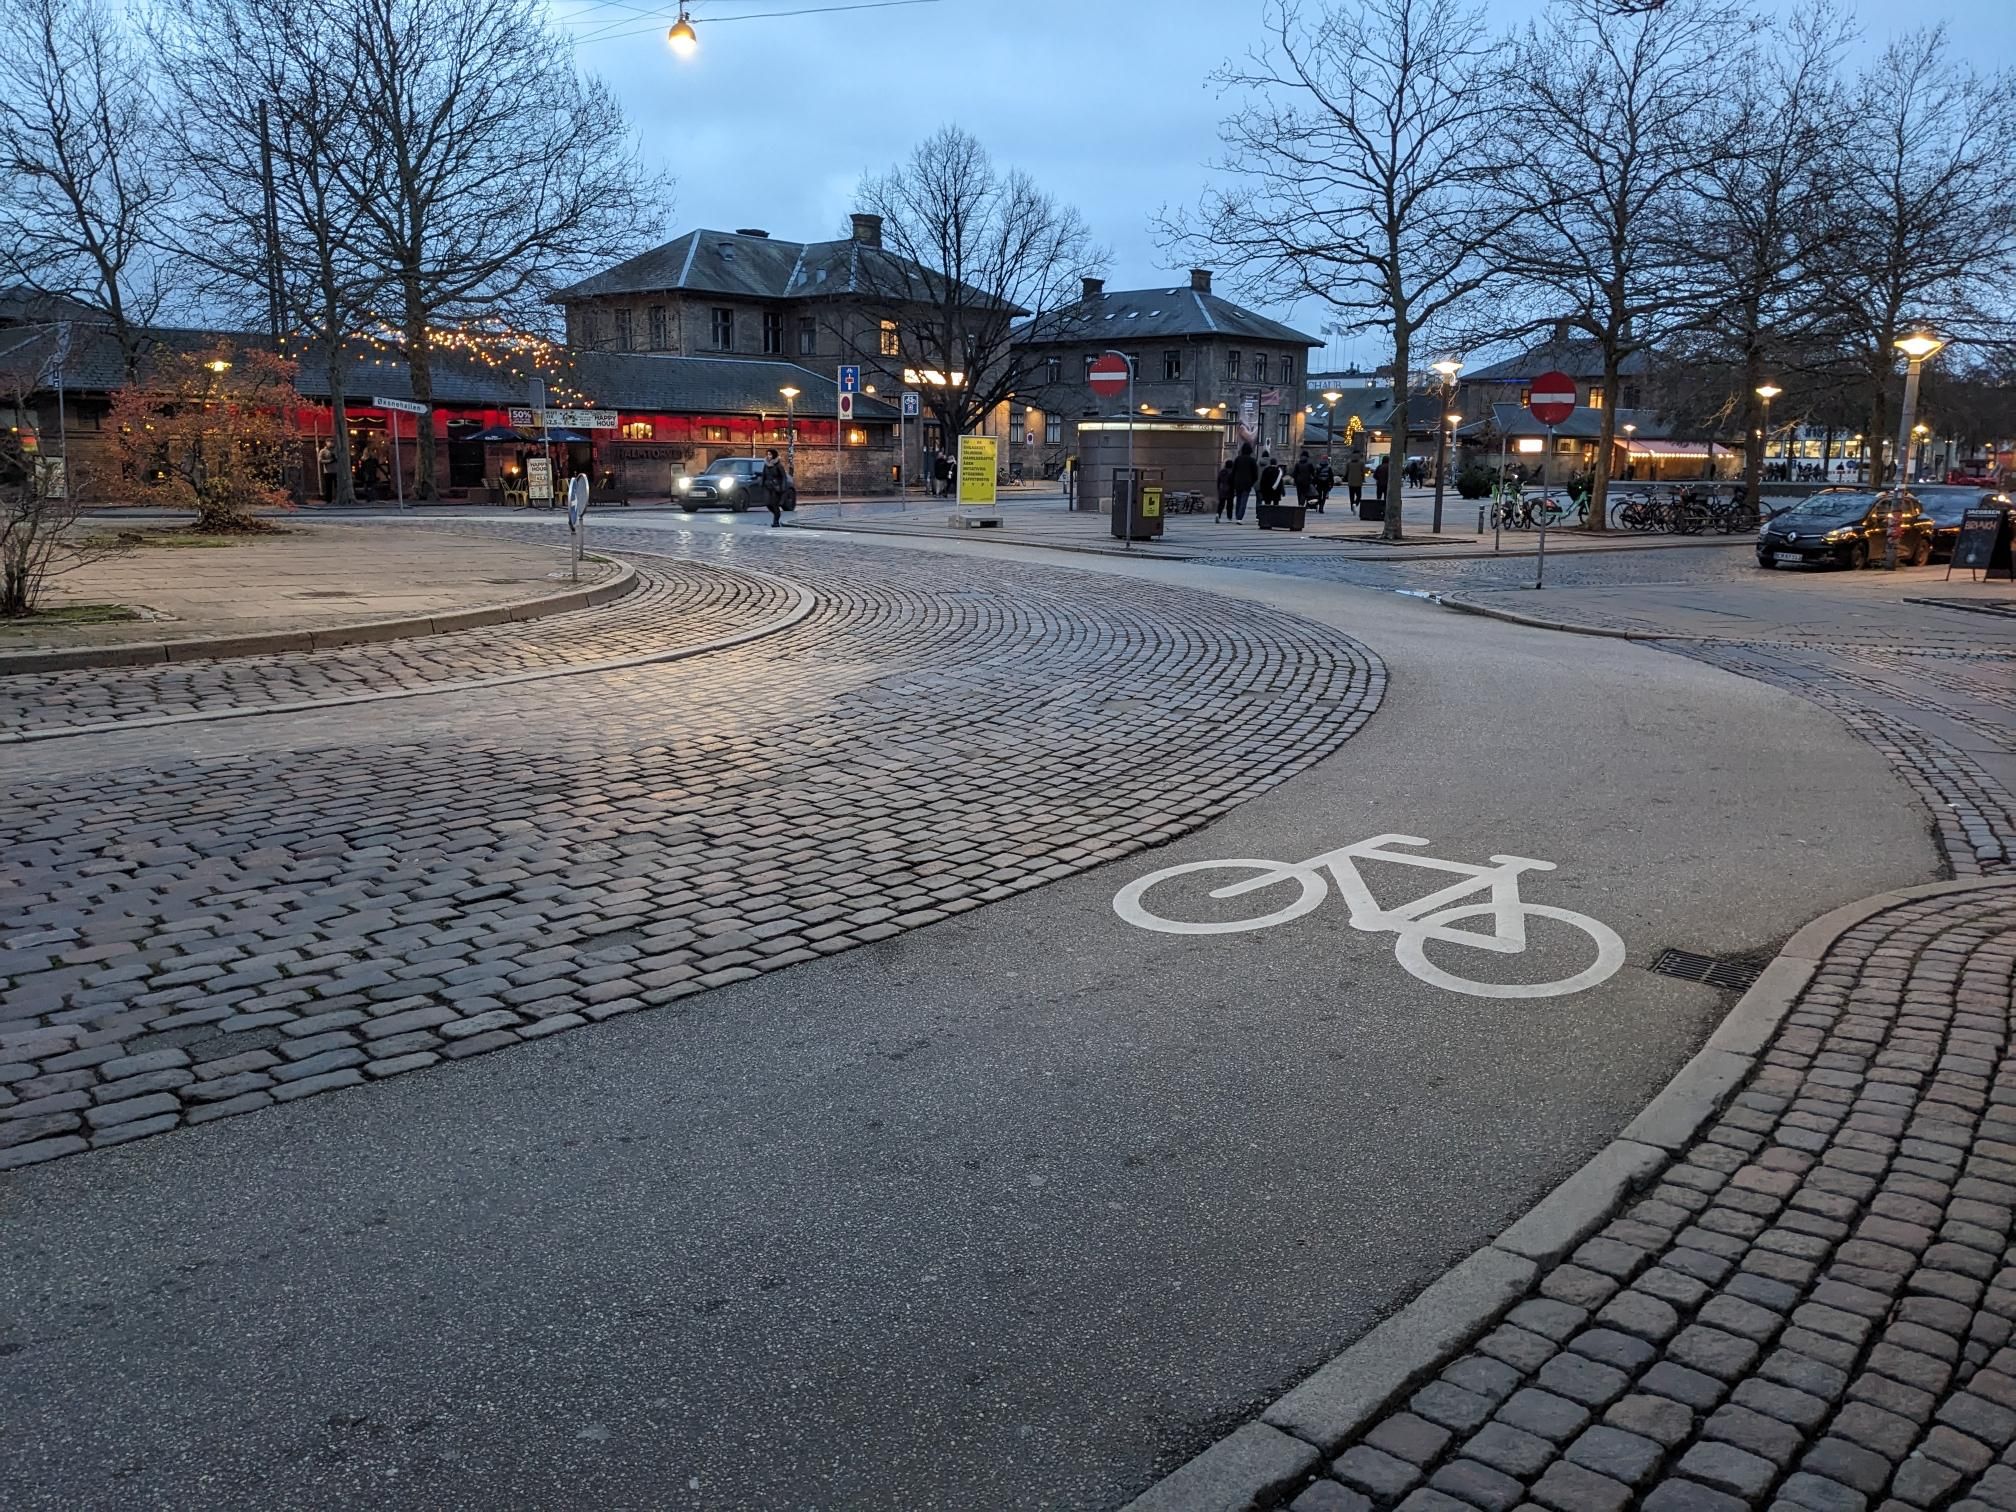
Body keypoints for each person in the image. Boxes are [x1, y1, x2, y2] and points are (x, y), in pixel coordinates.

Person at [1228, 441, 1259, 522]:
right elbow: (1255, 474)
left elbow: (1233, 471)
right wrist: (1252, 482)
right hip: (1247, 483)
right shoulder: (1252, 461)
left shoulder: (1238, 459)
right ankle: (1240, 517)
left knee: (1238, 499)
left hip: (1238, 482)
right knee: (1244, 501)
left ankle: (1237, 515)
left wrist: (1233, 481)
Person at [760, 448, 785, 527]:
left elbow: (783, 477)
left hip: (775, 487)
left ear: (774, 455)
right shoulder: (766, 465)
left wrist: (782, 488)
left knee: (774, 504)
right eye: (767, 454)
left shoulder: (778, 465)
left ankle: (776, 521)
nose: (768, 456)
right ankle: (776, 514)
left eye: (770, 454)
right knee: (768, 503)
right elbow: (763, 475)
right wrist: (762, 483)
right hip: (767, 486)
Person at [1257, 450, 1285, 516]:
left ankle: (1266, 516)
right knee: (1276, 505)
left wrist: (1262, 490)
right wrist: (1283, 492)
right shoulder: (1279, 471)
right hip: (1276, 491)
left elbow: (1262, 481)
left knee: (1267, 504)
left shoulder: (1266, 470)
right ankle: (1275, 516)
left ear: (1270, 463)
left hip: (1267, 491)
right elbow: (1281, 482)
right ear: (1276, 463)